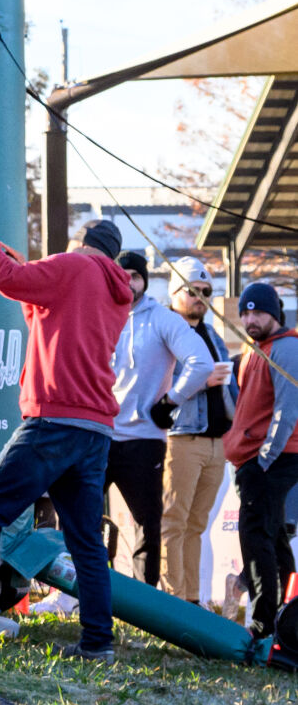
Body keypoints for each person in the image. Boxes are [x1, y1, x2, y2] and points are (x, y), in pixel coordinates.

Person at [0, 201, 133, 662]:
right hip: (94, 428)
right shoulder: (115, 291)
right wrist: (9, 254)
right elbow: (44, 310)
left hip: (53, 420)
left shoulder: (73, 265)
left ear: (82, 244)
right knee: (87, 541)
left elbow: (6, 279)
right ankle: (97, 643)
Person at [105, 251, 212, 586]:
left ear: (145, 280)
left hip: (143, 439)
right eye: (121, 275)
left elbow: (202, 363)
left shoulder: (162, 319)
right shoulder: (99, 311)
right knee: (82, 522)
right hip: (98, 433)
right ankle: (80, 597)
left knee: (148, 527)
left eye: (135, 275)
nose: (127, 281)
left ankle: (142, 611)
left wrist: (170, 402)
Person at [223, 282, 298, 646]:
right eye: (246, 313)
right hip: (254, 458)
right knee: (273, 537)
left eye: (259, 313)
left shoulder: (285, 348)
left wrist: (265, 457)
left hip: (272, 458)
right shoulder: (255, 349)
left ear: (275, 313)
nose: (251, 319)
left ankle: (263, 624)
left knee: (256, 538)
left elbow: (287, 411)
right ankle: (286, 619)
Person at [160, 258, 236, 605]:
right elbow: (152, 383)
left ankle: (191, 599)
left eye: (206, 292)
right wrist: (201, 380)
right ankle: (174, 599)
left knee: (196, 525)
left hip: (216, 441)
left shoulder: (213, 335)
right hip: (181, 437)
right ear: (174, 293)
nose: (200, 298)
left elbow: (230, 387)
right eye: (192, 291)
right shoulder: (164, 329)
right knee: (173, 522)